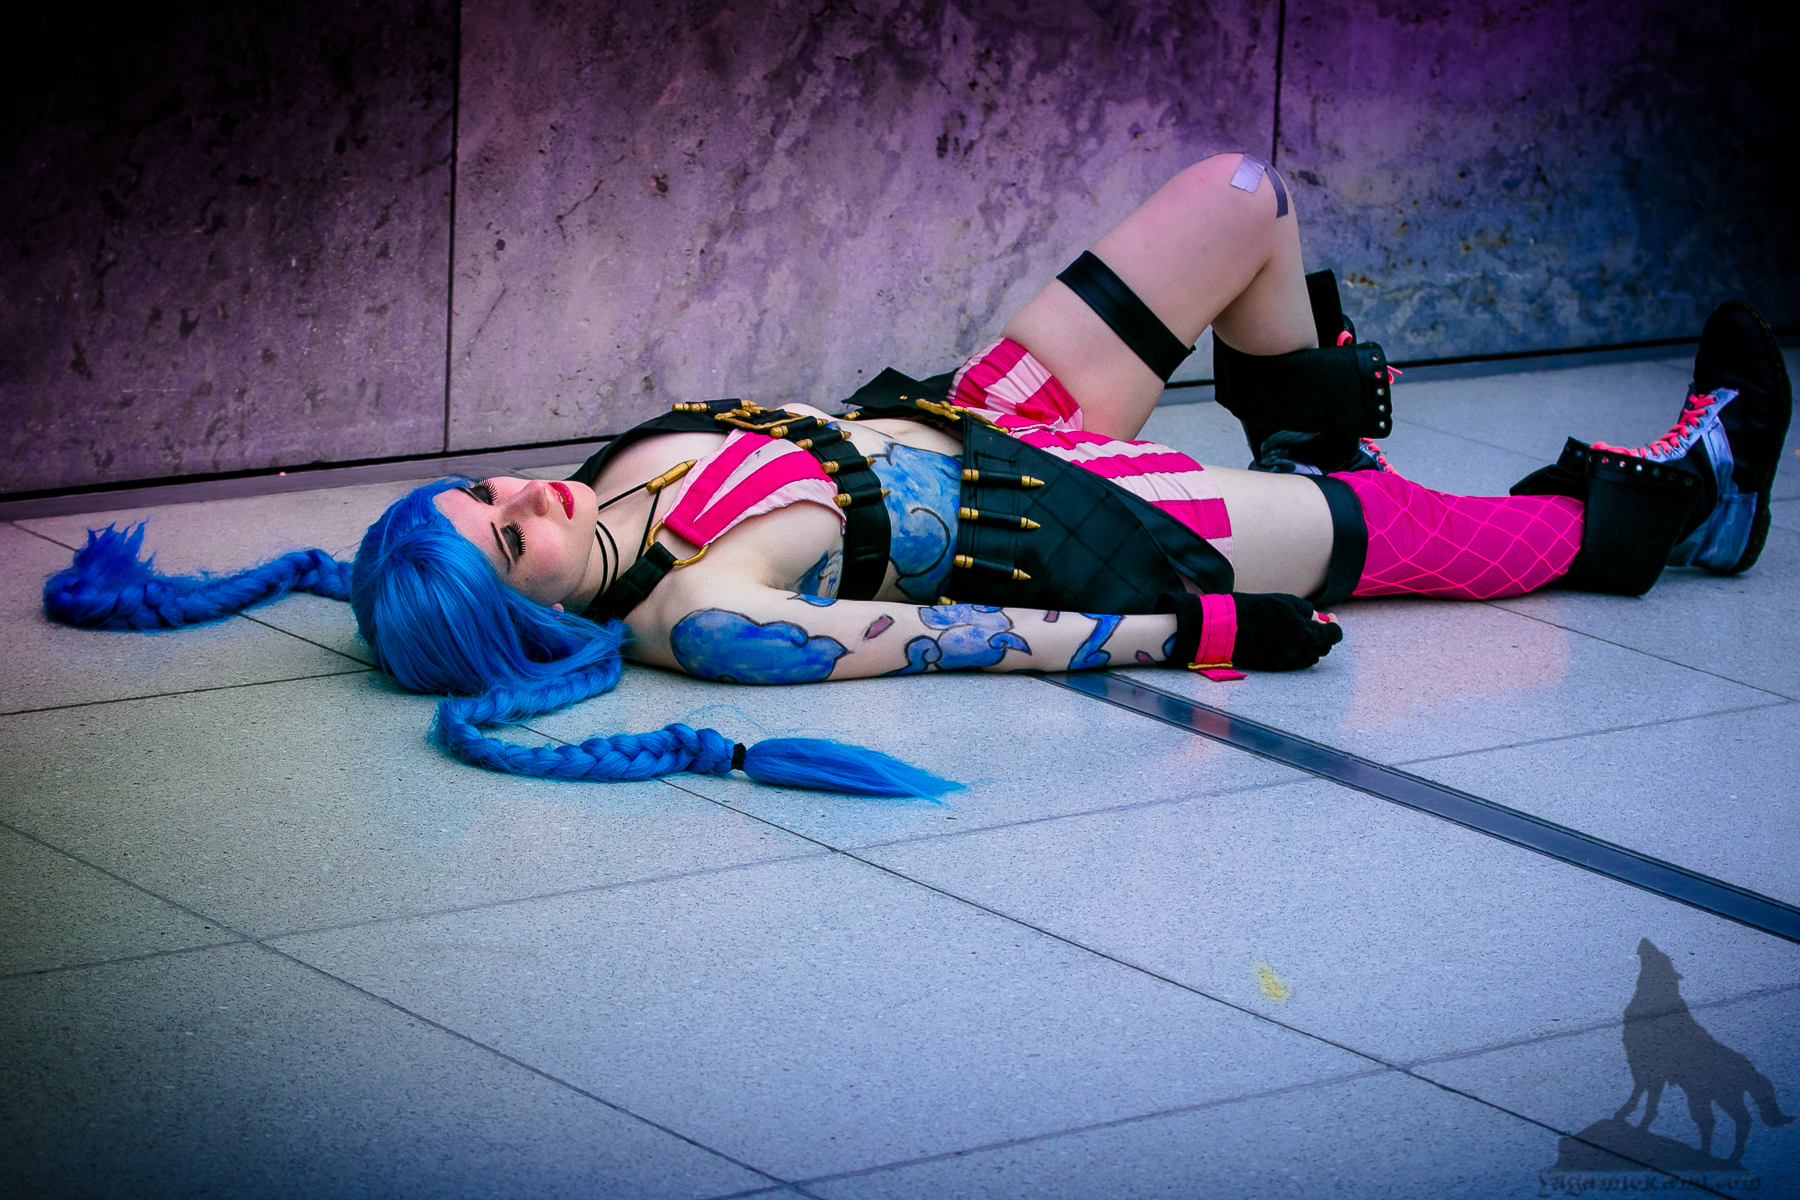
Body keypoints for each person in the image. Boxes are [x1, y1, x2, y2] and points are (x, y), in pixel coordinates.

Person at [44, 155, 1793, 797]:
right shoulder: (704, 619)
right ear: (527, 625)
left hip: (989, 412)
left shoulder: (583, 494)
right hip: (1092, 528)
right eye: (509, 545)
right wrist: (1198, 632)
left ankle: (1319, 434)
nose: (527, 502)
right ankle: (1696, 500)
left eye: (488, 497)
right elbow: (969, 643)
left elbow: (430, 554)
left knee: (1242, 198)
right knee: (1493, 541)